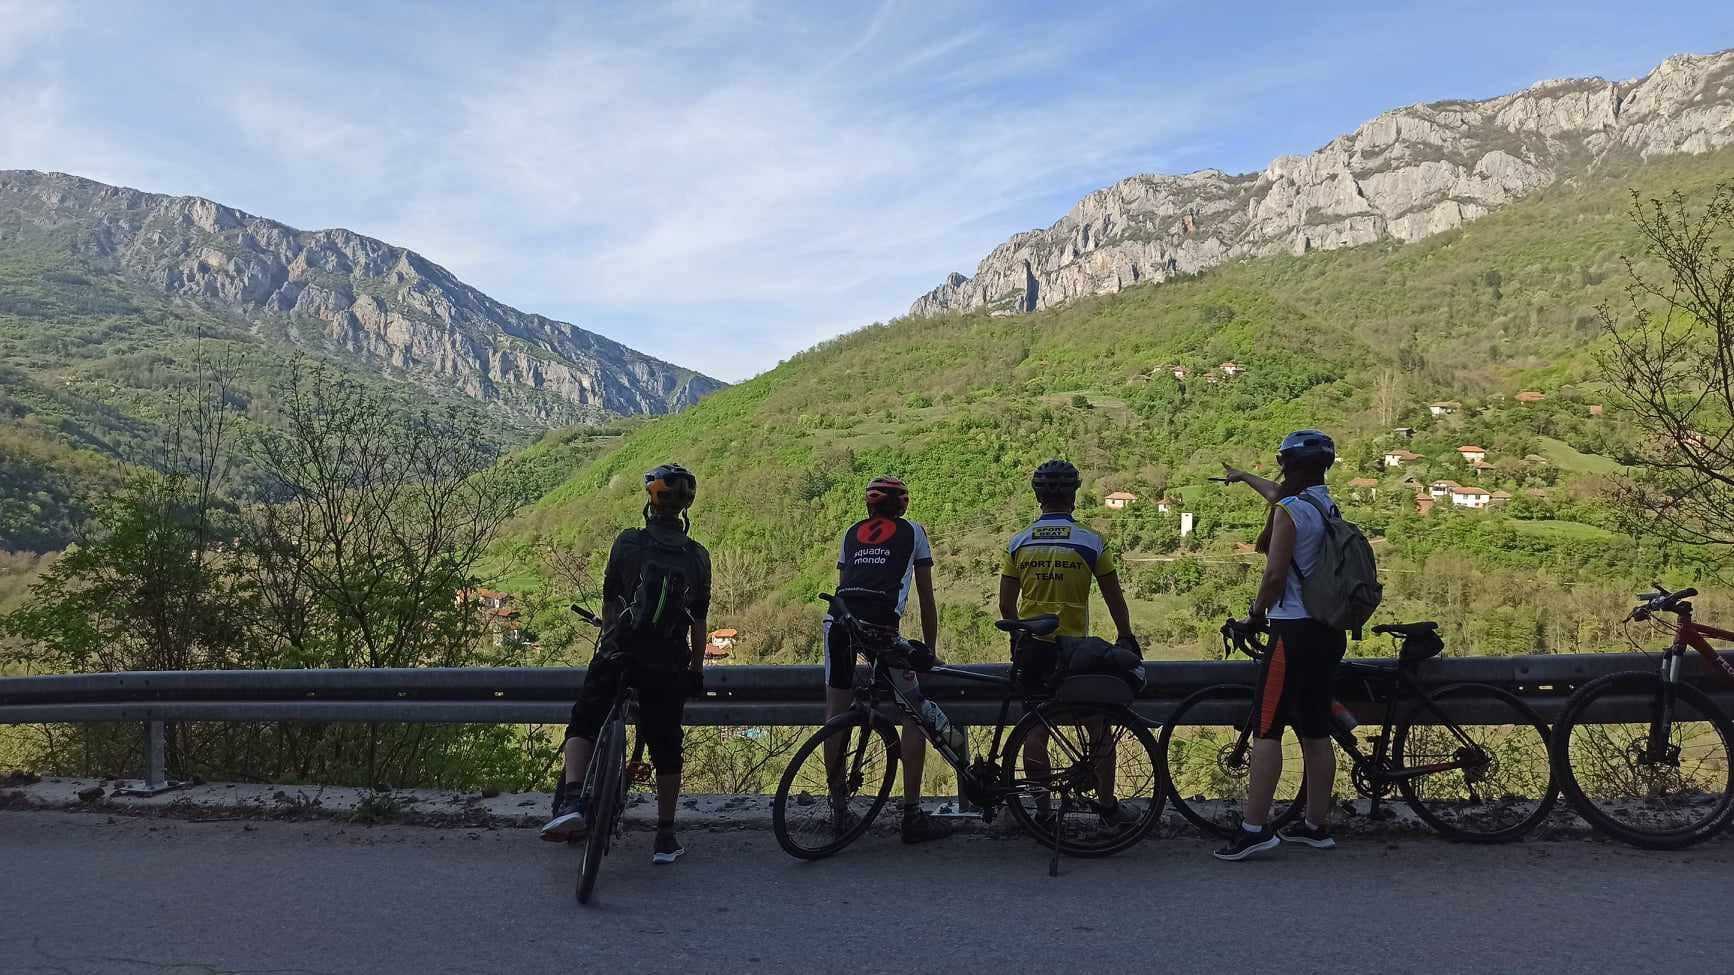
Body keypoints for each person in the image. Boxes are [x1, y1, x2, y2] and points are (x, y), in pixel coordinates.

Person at [541, 463, 712, 866]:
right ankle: (665, 837)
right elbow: (698, 621)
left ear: (650, 501)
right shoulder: (697, 556)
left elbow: (610, 601)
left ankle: (573, 799)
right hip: (667, 663)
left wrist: (608, 643)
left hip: (622, 651)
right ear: (685, 508)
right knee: (666, 745)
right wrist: (695, 670)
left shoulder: (628, 542)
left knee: (584, 720)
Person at [1214, 429, 1347, 861]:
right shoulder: (1324, 504)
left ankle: (1254, 829)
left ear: (1288, 464)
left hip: (1292, 631)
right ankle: (1315, 826)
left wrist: (1255, 616)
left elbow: (1274, 576)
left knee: (1267, 727)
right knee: (1315, 729)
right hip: (1327, 631)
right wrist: (1243, 476)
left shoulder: (1291, 511)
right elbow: (1278, 493)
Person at [997, 459, 1140, 827]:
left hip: (1033, 647)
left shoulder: (1019, 542)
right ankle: (1107, 809)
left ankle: (1043, 813)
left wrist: (1017, 636)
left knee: (1035, 730)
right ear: (1073, 496)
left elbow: (1005, 604)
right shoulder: (1091, 541)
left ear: (1038, 497)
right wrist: (1125, 635)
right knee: (1098, 727)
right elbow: (1113, 597)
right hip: (1076, 651)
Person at [824, 475, 952, 844]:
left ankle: (838, 809)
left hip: (839, 622)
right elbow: (926, 598)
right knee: (913, 711)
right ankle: (912, 814)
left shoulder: (851, 532)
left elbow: (847, 582)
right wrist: (929, 649)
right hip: (881, 628)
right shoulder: (914, 531)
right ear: (902, 505)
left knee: (836, 715)